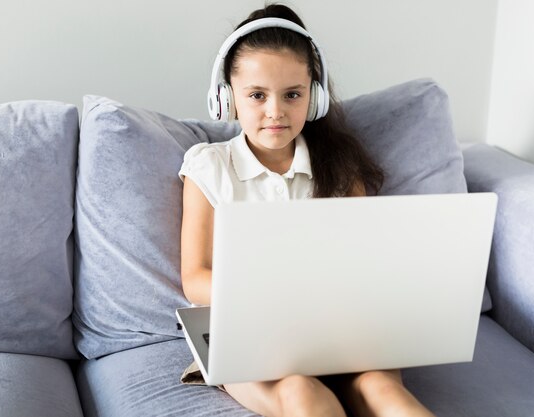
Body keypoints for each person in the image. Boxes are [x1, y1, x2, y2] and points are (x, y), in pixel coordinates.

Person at [179, 4, 435, 416]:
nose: (275, 111)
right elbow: (195, 278)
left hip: (339, 328)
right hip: (251, 330)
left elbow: (366, 262)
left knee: (382, 392)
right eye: (257, 95)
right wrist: (275, 298)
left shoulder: (339, 166)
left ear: (314, 98)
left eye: (292, 95)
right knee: (299, 393)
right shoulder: (208, 166)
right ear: (227, 98)